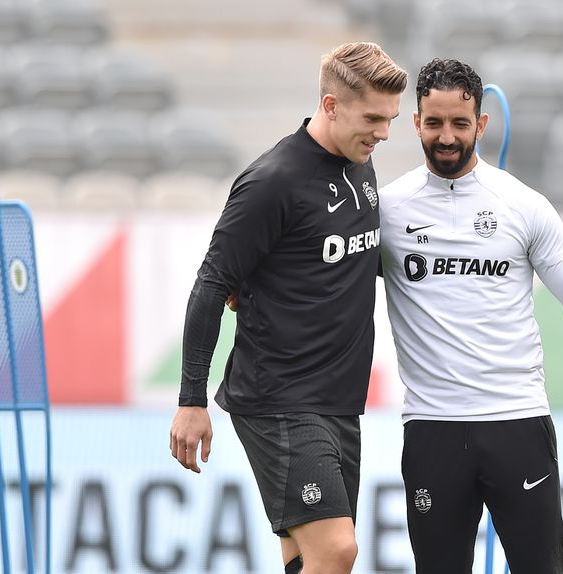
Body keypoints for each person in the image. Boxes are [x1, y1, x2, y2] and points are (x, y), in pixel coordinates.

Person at [378, 58, 563, 573]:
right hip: (432, 428)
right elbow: (323, 273)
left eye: (460, 123)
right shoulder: (387, 208)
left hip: (517, 423)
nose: (447, 137)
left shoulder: (523, 205)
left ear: (482, 124)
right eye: (434, 123)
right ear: (416, 122)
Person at [169, 41, 407, 574]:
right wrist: (190, 400)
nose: (384, 133)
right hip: (279, 397)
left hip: (338, 400)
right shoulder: (272, 181)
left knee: (306, 558)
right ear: (330, 106)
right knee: (338, 549)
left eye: (390, 120)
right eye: (373, 118)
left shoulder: (360, 165)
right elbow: (211, 284)